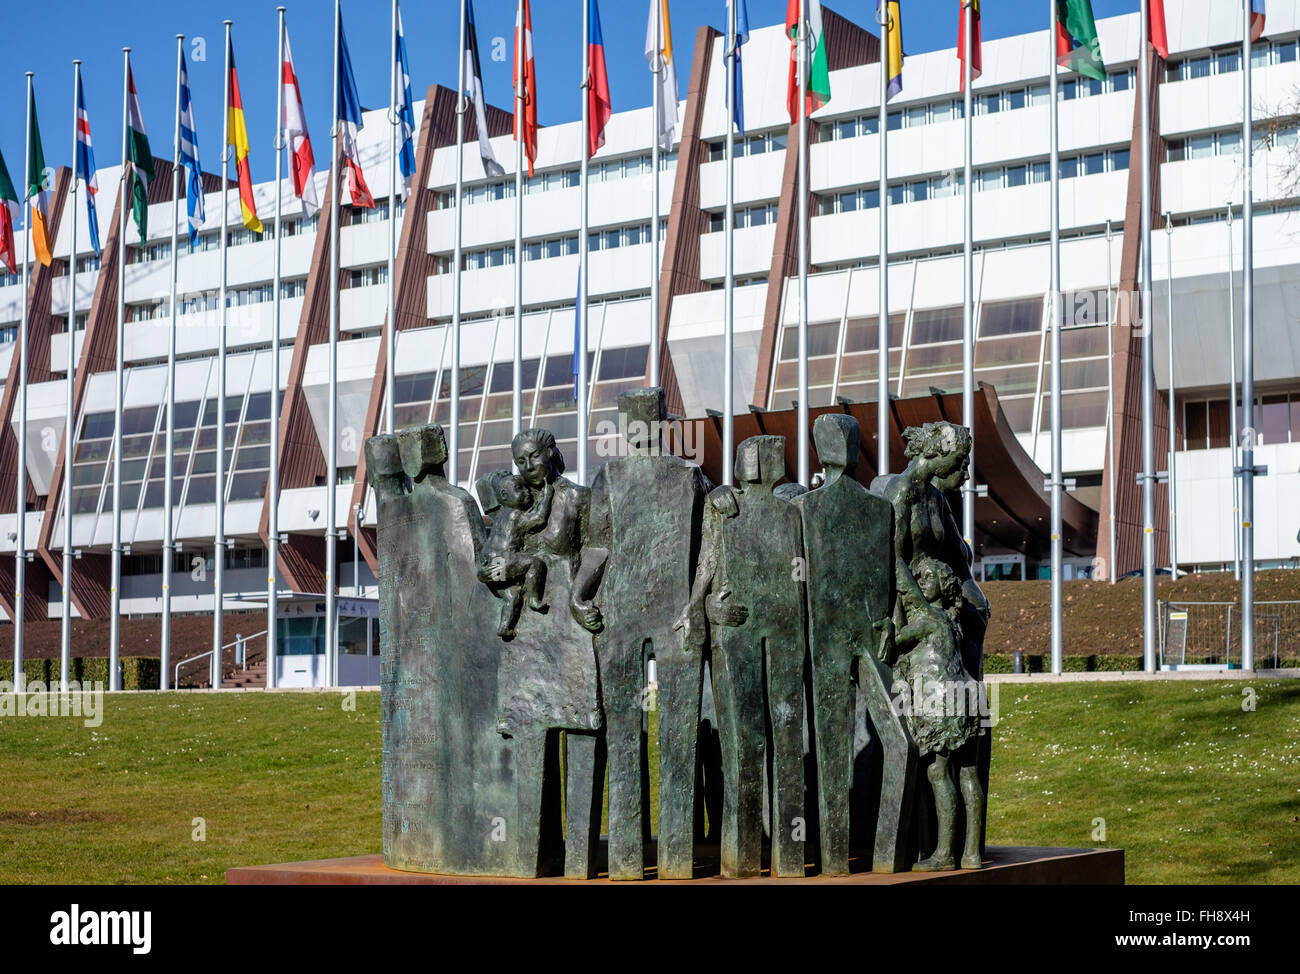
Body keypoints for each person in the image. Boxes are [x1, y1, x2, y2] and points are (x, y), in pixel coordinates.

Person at [476, 473, 553, 639]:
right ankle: (533, 599)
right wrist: (547, 496)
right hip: (502, 559)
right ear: (504, 496)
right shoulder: (515, 515)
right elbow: (539, 519)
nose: (527, 492)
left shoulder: (500, 515)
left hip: (490, 561)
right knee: (535, 564)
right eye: (519, 489)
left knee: (512, 596)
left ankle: (505, 627)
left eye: (526, 488)